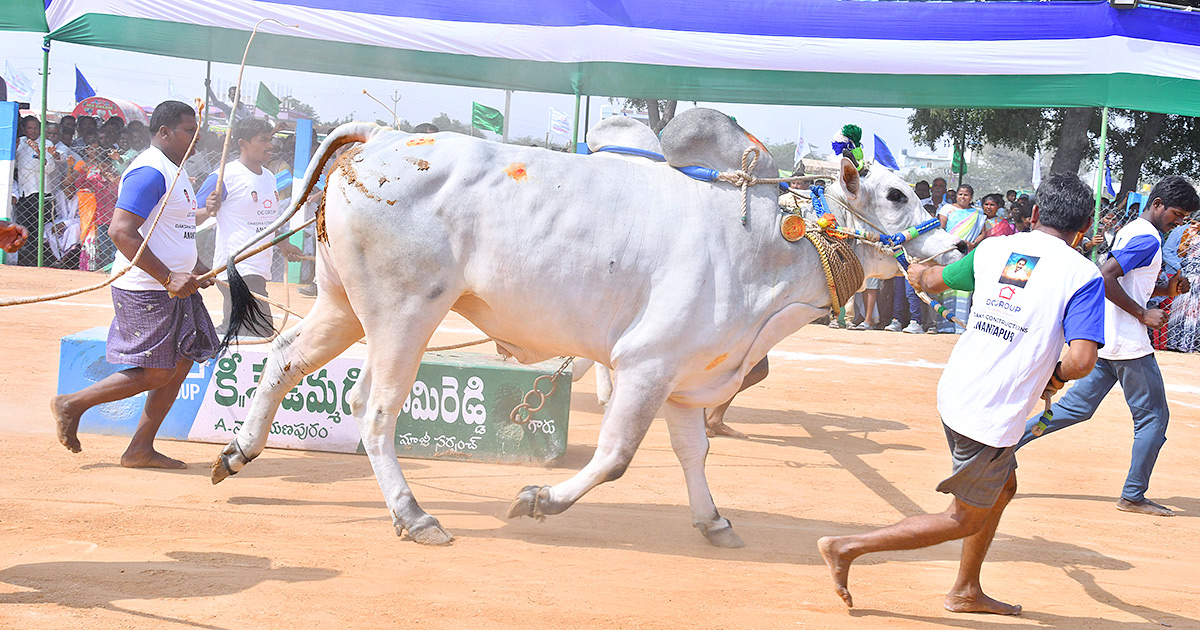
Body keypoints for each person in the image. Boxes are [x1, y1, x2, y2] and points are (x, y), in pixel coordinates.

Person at [818, 172, 1106, 615]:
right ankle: (847, 547)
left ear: (1033, 214)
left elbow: (932, 281)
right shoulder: (1083, 274)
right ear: (1084, 229)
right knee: (965, 517)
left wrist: (914, 270)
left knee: (1003, 487)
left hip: (960, 390)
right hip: (991, 410)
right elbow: (1083, 361)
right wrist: (1057, 375)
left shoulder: (994, 249)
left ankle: (967, 589)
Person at [1015, 176, 1199, 517]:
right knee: (1154, 420)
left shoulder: (1134, 231)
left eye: (1186, 216)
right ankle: (1133, 495)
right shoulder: (1147, 240)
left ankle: (1002, 446)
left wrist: (1166, 292)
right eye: (1177, 213)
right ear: (1157, 204)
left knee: (1075, 410)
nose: (1180, 222)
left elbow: (1127, 283)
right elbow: (1104, 276)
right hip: (1128, 344)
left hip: (1107, 340)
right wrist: (1143, 314)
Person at [51, 100, 218, 469]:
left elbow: (174, 230)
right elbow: (120, 232)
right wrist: (169, 275)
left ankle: (140, 449)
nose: (196, 137)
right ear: (164, 132)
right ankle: (72, 403)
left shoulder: (178, 172)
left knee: (183, 361)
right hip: (147, 286)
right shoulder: (150, 171)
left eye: (196, 130)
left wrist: (196, 266)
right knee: (159, 371)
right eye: (189, 130)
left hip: (172, 287)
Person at [197, 117, 301, 337]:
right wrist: (207, 209)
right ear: (242, 143)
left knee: (242, 333)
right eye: (263, 140)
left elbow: (267, 223)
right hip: (237, 268)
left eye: (270, 139)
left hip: (258, 269)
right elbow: (190, 217)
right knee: (257, 333)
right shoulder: (223, 177)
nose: (270, 145)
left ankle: (202, 349)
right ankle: (198, 350)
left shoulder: (270, 178)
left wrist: (284, 244)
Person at [12, 115, 57, 266]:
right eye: (30, 128)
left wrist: (39, 151)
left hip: (40, 193)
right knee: (23, 227)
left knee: (38, 230)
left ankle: (39, 262)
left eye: (36, 128)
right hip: (24, 193)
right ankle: (24, 261)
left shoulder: (46, 143)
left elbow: (50, 168)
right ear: (24, 129)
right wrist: (16, 146)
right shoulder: (20, 144)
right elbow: (14, 165)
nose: (33, 131)